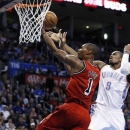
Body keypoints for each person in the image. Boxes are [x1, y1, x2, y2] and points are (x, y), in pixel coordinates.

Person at [47, 30, 130, 130]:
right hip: (100, 109)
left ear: (121, 59)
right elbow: (81, 59)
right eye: (111, 54)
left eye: (115, 54)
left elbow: (125, 68)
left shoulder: (126, 72)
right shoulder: (102, 66)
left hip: (116, 112)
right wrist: (63, 44)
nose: (111, 55)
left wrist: (126, 52)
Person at [36, 27, 100, 130]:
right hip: (85, 117)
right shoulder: (97, 71)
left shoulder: (79, 63)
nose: (78, 50)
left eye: (81, 48)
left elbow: (55, 51)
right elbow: (70, 70)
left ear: (88, 52)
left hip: (72, 108)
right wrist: (63, 44)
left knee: (41, 127)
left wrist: (43, 33)